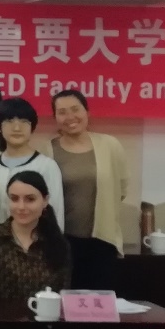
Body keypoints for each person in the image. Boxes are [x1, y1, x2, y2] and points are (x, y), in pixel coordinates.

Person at [0, 171, 72, 302]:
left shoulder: (58, 243)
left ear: (45, 201)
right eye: (14, 199)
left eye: (30, 199)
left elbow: (62, 293)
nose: (21, 206)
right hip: (0, 314)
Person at [49, 90, 129, 255]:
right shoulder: (47, 150)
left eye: (75, 109)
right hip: (61, 240)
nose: (70, 117)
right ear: (55, 118)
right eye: (62, 112)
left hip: (103, 239)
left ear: (87, 112)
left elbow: (121, 189)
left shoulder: (110, 145)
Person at [0, 98, 64, 228]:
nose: (17, 128)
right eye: (9, 121)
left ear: (32, 127)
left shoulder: (46, 166)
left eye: (24, 122)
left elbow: (56, 214)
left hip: (35, 239)